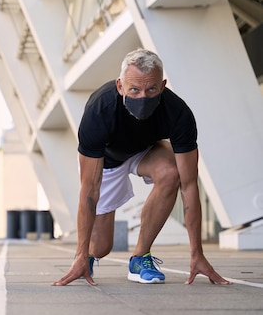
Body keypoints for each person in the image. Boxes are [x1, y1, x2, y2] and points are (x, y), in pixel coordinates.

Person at [53, 48, 230, 286]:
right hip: (107, 161)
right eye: (134, 90)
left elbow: (189, 187)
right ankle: (87, 259)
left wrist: (197, 253)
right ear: (120, 86)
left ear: (163, 85)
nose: (143, 98)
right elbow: (89, 191)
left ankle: (140, 257)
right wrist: (81, 254)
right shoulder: (100, 110)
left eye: (151, 89)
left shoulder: (178, 113)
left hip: (145, 151)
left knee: (172, 173)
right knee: (101, 246)